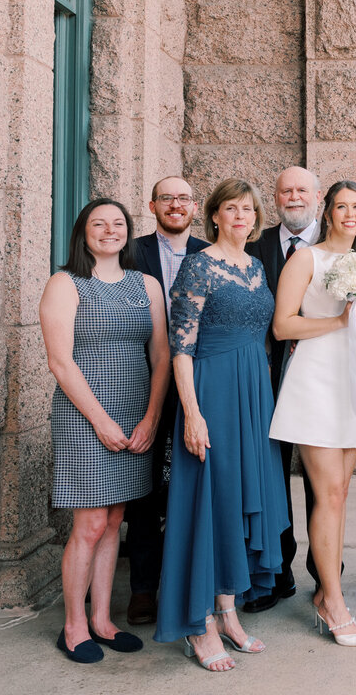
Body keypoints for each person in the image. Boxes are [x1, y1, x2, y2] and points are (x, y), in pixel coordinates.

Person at [154, 179, 289, 672]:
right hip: (210, 392)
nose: (241, 216)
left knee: (237, 501)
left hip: (254, 396)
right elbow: (181, 347)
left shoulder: (255, 266)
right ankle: (199, 625)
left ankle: (228, 612)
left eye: (248, 209)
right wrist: (191, 413)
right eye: (231, 209)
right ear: (213, 216)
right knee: (209, 502)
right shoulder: (199, 264)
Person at [40, 198, 170, 663]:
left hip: (136, 417)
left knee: (116, 520)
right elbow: (60, 361)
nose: (109, 231)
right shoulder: (65, 283)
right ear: (83, 232)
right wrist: (101, 420)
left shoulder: (146, 285)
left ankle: (102, 620)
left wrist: (151, 418)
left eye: (118, 224)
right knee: (90, 523)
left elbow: (161, 357)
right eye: (99, 224)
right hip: (85, 416)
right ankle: (74, 627)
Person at [271, 180, 356, 647]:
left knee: (339, 494)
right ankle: (332, 600)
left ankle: (327, 593)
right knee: (326, 494)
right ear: (327, 213)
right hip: (314, 379)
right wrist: (335, 321)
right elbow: (282, 325)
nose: (349, 214)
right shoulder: (306, 258)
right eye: (341, 206)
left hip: (352, 384)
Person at [123, 176, 209, 626]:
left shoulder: (210, 253)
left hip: (199, 382)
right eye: (167, 198)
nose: (176, 205)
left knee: (194, 482)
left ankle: (195, 581)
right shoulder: (130, 252)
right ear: (152, 204)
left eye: (184, 199)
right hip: (141, 381)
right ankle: (142, 587)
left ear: (195, 207)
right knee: (144, 484)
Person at [243, 165, 323, 613]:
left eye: (301, 190)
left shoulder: (343, 246)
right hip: (266, 381)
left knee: (319, 480)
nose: (293, 197)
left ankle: (325, 574)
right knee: (271, 477)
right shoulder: (255, 251)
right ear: (275, 198)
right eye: (284, 190)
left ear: (318, 195)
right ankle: (277, 571)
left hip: (321, 381)